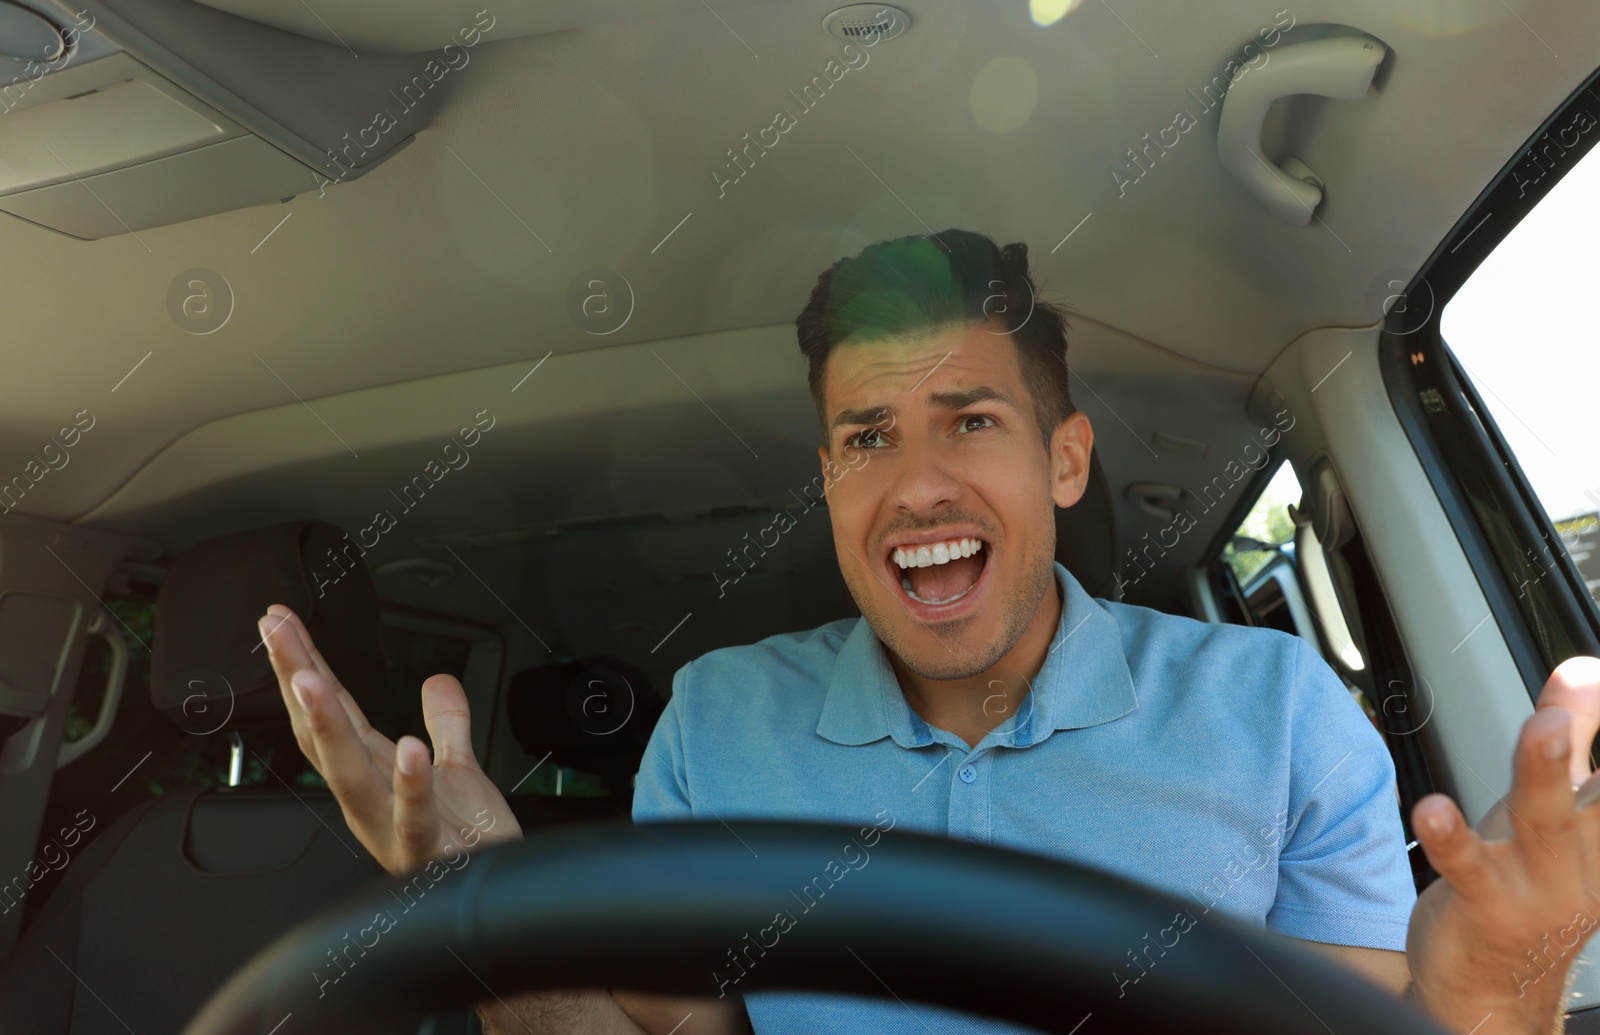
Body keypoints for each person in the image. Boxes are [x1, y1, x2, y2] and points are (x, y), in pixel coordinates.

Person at [260, 230, 1600, 1035]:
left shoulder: (1279, 707)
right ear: (829, 483)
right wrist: (485, 908)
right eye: (866, 438)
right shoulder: (717, 726)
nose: (916, 486)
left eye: (971, 420)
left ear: (1065, 460)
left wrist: (1510, 986)